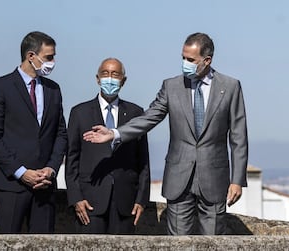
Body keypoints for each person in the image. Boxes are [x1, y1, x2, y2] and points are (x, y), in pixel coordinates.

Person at [83, 32, 248, 235]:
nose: (184, 63)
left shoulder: (230, 87)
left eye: (190, 60)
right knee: (177, 244)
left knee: (213, 243)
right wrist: (115, 134)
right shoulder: (171, 86)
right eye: (183, 57)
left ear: (207, 60)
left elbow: (238, 136)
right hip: (178, 179)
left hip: (215, 178)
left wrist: (237, 179)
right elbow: (150, 117)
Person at [0, 31, 67, 234]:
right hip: (11, 185)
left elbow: (61, 133)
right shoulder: (0, 87)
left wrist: (51, 168)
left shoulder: (53, 89)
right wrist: (22, 172)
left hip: (44, 186)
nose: (53, 62)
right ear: (31, 56)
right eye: (48, 57)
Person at [65, 58, 150, 234]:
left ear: (123, 80)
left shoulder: (135, 113)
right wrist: (76, 197)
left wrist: (141, 200)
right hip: (90, 202)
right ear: (97, 79)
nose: (109, 78)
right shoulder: (79, 113)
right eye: (105, 74)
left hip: (125, 204)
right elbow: (72, 159)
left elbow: (143, 161)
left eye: (115, 74)